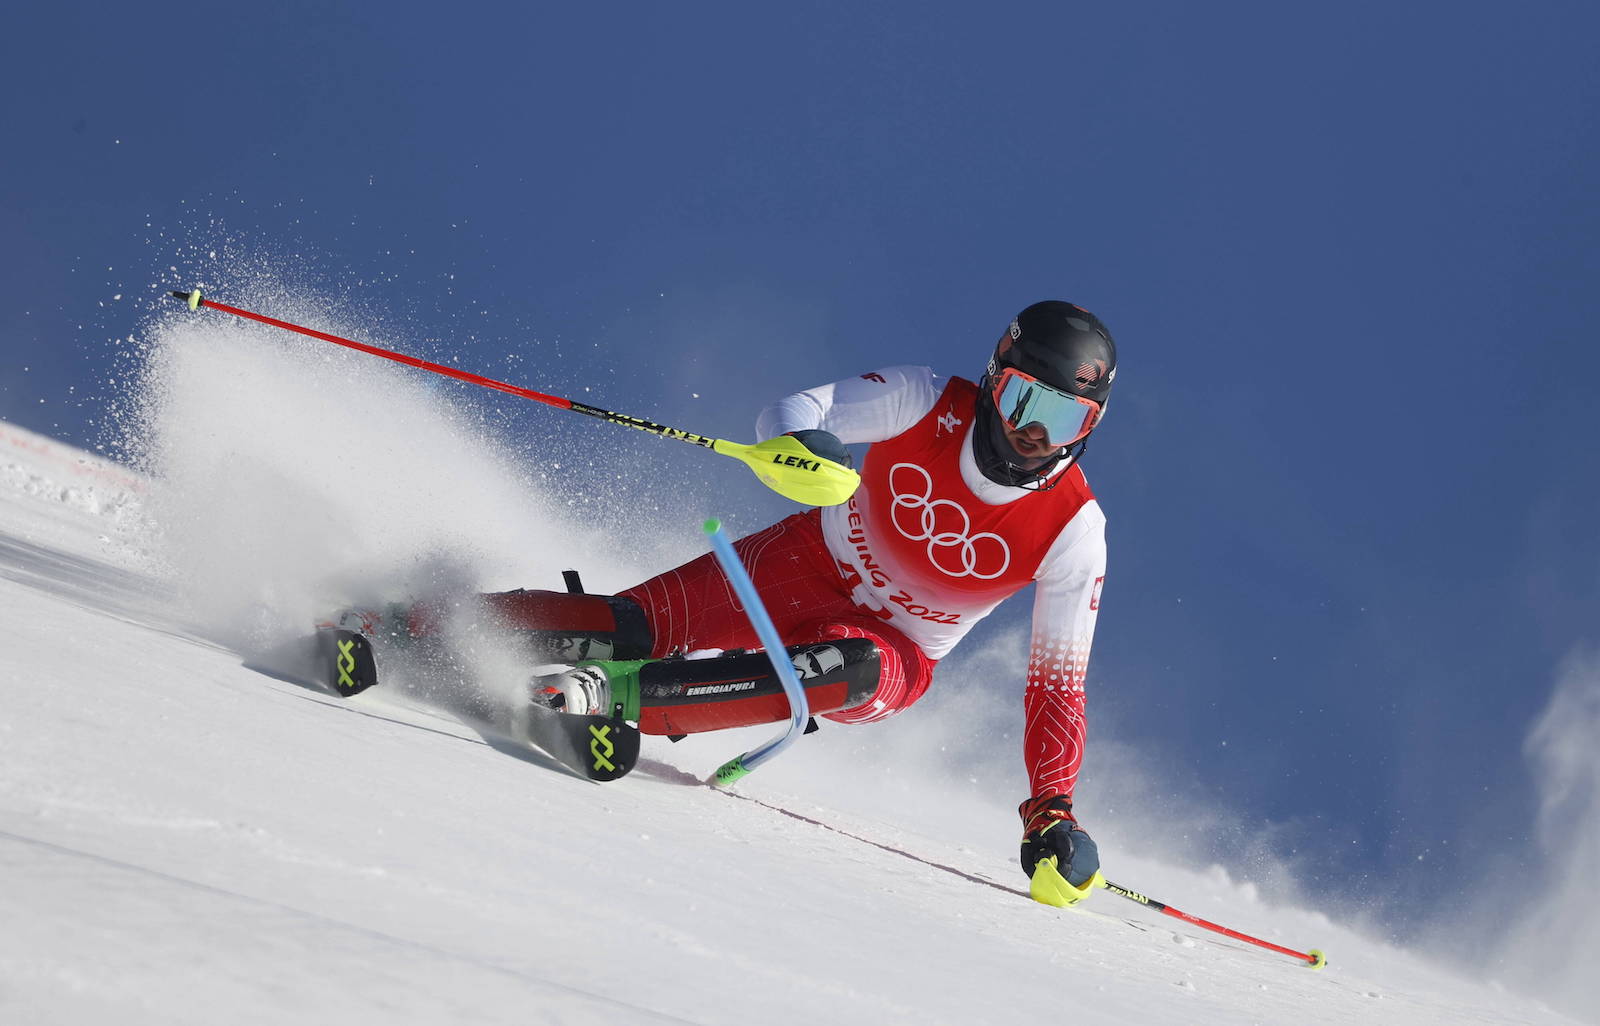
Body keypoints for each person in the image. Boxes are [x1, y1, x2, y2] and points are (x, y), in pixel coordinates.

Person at [352, 300, 1115, 904]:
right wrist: (802, 448)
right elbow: (797, 411)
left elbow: (1056, 686)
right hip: (803, 562)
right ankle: (406, 621)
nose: (1030, 434)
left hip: (898, 651)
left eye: (1063, 420)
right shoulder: (924, 400)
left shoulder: (1074, 531)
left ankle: (610, 701)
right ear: (993, 378)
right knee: (627, 627)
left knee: (842, 669)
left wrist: (1050, 810)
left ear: (1088, 429)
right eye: (1021, 400)